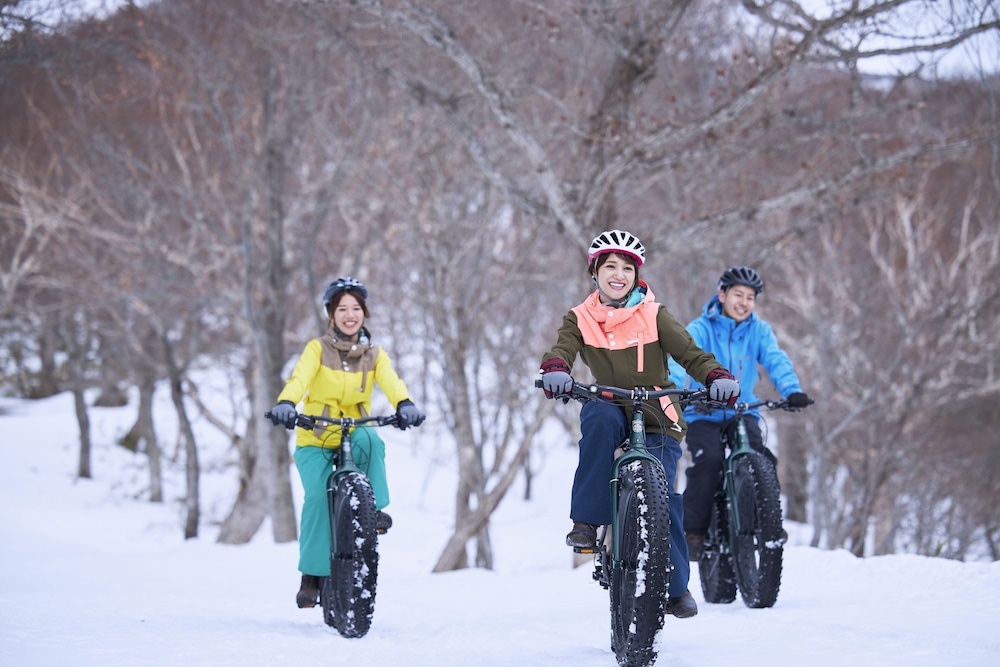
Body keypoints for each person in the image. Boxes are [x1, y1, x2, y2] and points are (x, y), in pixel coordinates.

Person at [539, 230, 741, 620]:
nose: (619, 274)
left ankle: (677, 585)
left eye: (627, 268)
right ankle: (586, 521)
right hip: (610, 406)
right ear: (594, 272)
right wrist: (556, 369)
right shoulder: (580, 317)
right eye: (610, 266)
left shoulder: (654, 313)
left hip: (656, 413)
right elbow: (563, 347)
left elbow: (691, 353)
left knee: (664, 495)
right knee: (595, 417)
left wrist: (715, 376)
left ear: (636, 275)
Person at [268, 276, 425, 609]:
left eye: (356, 308)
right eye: (343, 308)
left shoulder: (374, 354)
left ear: (364, 314)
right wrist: (286, 403)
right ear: (331, 313)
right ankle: (311, 576)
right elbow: (299, 379)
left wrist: (405, 404)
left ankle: (375, 510)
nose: (350, 314)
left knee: (371, 437)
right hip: (316, 438)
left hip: (352, 432)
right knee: (316, 498)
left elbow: (392, 382)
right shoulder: (317, 349)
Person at [667, 265, 810, 561]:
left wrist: (791, 390)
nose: (744, 302)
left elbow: (775, 359)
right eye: (738, 295)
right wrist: (672, 392)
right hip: (702, 412)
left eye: (750, 297)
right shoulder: (700, 328)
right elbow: (679, 360)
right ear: (722, 295)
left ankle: (766, 522)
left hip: (742, 411)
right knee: (709, 462)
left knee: (760, 457)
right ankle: (693, 531)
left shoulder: (759, 330)